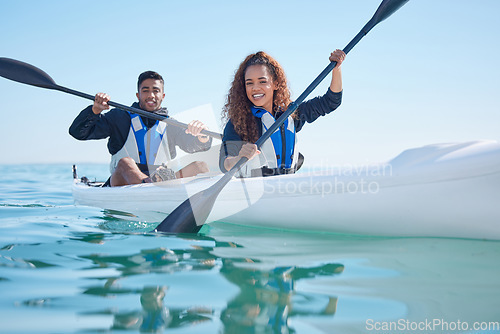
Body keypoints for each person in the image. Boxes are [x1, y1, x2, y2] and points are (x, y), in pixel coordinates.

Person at [69, 71, 212, 186]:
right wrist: (95, 110)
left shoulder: (171, 125)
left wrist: (202, 136)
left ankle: (160, 187)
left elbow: (193, 144)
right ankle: (150, 186)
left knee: (200, 166)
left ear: (162, 96)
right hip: (123, 182)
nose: (151, 95)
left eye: (155, 91)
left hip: (162, 182)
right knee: (125, 162)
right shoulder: (119, 117)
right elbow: (78, 132)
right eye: (145, 91)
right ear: (138, 95)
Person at [220, 50, 345, 177]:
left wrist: (336, 69)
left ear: (275, 84)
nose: (255, 88)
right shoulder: (238, 122)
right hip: (258, 191)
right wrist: (239, 157)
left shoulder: (290, 114)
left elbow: (331, 101)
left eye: (262, 81)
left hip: (286, 188)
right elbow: (225, 164)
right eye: (249, 83)